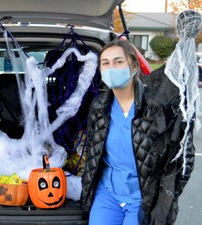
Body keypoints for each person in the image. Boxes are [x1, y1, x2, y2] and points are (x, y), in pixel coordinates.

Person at [80, 39, 196, 224]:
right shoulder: (99, 105)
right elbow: (93, 153)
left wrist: (167, 197)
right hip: (107, 194)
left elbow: (185, 157)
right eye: (105, 63)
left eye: (118, 62)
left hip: (143, 200)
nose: (111, 68)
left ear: (134, 67)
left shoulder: (157, 107)